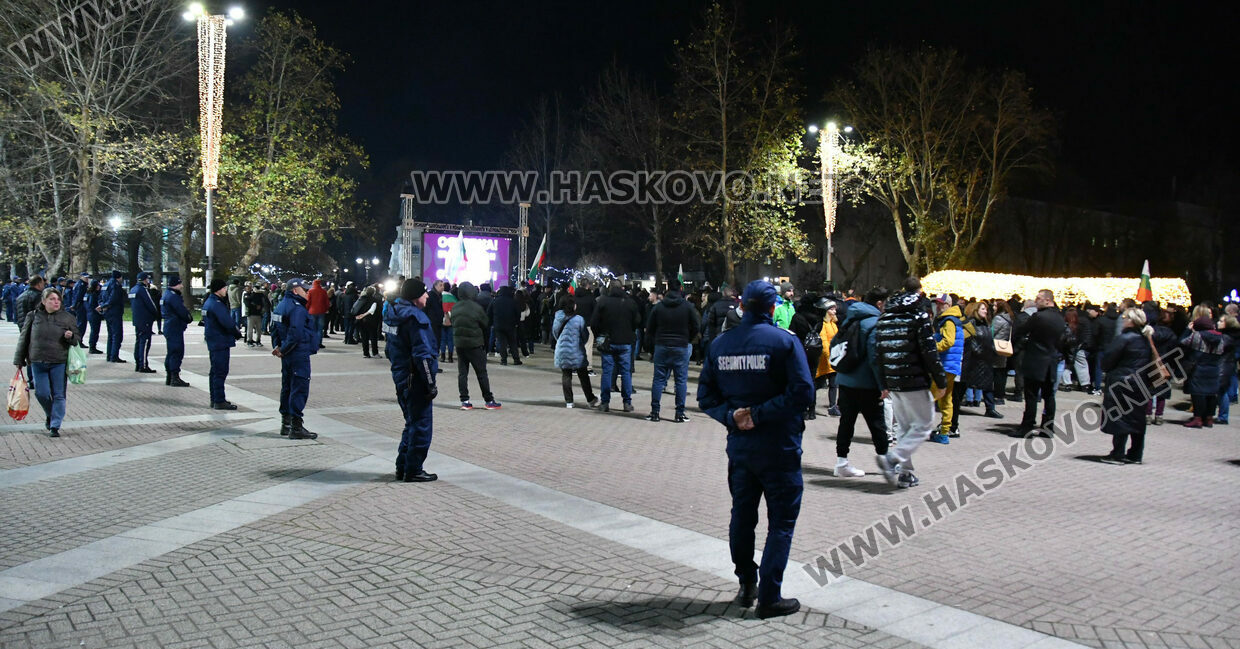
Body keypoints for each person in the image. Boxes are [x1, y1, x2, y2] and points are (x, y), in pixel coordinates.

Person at [696, 280, 813, 620]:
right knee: (781, 523)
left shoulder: (721, 345)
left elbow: (705, 397)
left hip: (741, 447)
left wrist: (732, 416)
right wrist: (760, 414)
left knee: (742, 517)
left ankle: (747, 583)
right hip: (779, 445)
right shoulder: (784, 342)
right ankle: (770, 597)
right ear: (774, 308)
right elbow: (803, 392)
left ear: (742, 306)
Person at [874, 277, 948, 488]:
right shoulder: (918, 315)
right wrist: (940, 380)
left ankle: (905, 473)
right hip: (914, 378)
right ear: (919, 292)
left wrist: (883, 382)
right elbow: (929, 350)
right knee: (923, 425)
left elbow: (879, 352)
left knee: (904, 427)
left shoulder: (885, 316)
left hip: (893, 379)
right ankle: (893, 459)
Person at [384, 278, 439, 482]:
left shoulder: (393, 314)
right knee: (421, 425)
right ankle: (414, 469)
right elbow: (422, 356)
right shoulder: (416, 318)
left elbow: (389, 349)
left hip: (401, 375)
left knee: (411, 422)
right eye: (424, 293)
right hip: (415, 379)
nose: (427, 296)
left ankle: (403, 466)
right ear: (416, 297)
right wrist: (430, 384)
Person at [832, 288, 886, 478]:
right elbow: (875, 357)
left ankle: (841, 463)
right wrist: (883, 385)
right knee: (877, 423)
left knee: (846, 423)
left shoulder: (851, 317)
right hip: (866, 383)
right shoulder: (874, 323)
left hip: (845, 379)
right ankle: (885, 462)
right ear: (879, 303)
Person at [13, 287, 81, 437]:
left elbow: (77, 339)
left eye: (58, 299)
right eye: (52, 299)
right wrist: (19, 359)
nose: (56, 302)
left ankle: (55, 426)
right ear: (44, 301)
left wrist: (70, 337)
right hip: (38, 361)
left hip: (59, 361)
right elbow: (24, 338)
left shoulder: (68, 318)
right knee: (41, 393)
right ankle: (51, 414)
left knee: (59, 395)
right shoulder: (33, 316)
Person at [1098, 309, 1156, 464]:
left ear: (1131, 320)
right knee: (1137, 419)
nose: (1123, 320)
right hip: (1140, 383)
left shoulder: (1124, 338)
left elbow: (1107, 361)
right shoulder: (1145, 339)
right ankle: (1136, 454)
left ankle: (1117, 454)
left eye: (1125, 317)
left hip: (1122, 382)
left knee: (1120, 418)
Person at [270, 278, 319, 439]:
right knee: (299, 387)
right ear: (295, 290)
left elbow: (274, 329)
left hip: (288, 354)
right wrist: (284, 349)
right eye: (305, 290)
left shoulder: (280, 306)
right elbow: (296, 333)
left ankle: (286, 423)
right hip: (297, 353)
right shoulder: (297, 308)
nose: (307, 293)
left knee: (287, 387)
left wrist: (278, 347)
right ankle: (296, 427)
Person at [644, 280, 699, 422]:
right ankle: (679, 413)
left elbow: (650, 328)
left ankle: (655, 412)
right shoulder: (687, 307)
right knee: (680, 380)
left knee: (658, 379)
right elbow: (696, 326)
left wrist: (653, 343)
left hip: (662, 345)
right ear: (680, 289)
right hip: (680, 345)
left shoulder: (659, 307)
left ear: (668, 289)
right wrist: (687, 339)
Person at [1014, 289, 1067, 437]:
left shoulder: (1038, 317)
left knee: (1031, 395)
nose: (1036, 301)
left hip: (1036, 360)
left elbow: (1021, 330)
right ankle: (1048, 428)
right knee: (1049, 396)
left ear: (1047, 300)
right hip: (1051, 362)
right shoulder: (1059, 318)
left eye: (1038, 298)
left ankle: (1027, 427)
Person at [593, 280, 641, 414]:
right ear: (622, 288)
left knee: (607, 372)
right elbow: (637, 321)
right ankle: (627, 402)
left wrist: (599, 335)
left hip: (608, 340)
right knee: (625, 372)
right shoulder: (630, 303)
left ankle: (605, 402)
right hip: (625, 341)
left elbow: (594, 322)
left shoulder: (603, 302)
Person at [451, 282, 501, 410]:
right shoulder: (476, 307)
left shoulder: (455, 307)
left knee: (462, 373)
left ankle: (465, 401)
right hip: (474, 344)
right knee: (481, 373)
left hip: (460, 344)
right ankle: (489, 400)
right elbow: (485, 323)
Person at [1180, 315, 1229, 428]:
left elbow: (1182, 342)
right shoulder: (1221, 338)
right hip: (1214, 368)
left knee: (1198, 393)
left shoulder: (1197, 336)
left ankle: (1197, 419)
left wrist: (1188, 330)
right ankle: (1209, 418)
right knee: (1211, 394)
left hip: (1198, 368)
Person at [203, 278, 243, 410]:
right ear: (218, 289)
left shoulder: (209, 302)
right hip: (220, 341)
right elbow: (227, 323)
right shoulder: (216, 304)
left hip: (214, 340)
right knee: (220, 371)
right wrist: (237, 333)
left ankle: (214, 398)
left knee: (215, 371)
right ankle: (219, 400)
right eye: (224, 288)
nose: (226, 290)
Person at [931, 294, 965, 443]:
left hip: (945, 365)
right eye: (937, 303)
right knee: (946, 399)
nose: (938, 306)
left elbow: (948, 341)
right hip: (951, 366)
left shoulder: (948, 320)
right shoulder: (954, 319)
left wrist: (932, 348)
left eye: (941, 303)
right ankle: (944, 433)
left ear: (949, 305)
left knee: (930, 396)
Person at [553, 299, 597, 408]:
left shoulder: (557, 318)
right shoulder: (579, 319)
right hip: (577, 350)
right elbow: (585, 335)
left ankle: (569, 401)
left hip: (562, 350)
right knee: (583, 375)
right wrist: (581, 343)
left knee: (566, 375)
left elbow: (555, 333)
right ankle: (590, 398)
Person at [160, 274, 192, 387]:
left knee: (171, 352)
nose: (182, 286)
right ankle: (174, 377)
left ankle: (170, 376)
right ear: (175, 285)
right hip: (174, 326)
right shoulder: (173, 297)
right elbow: (181, 311)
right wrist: (188, 318)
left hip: (170, 326)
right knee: (176, 352)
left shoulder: (166, 295)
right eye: (180, 284)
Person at [128, 271, 159, 374]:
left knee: (138, 341)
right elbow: (150, 304)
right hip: (145, 319)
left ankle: (138, 363)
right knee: (145, 342)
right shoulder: (143, 290)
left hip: (137, 319)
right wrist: (156, 314)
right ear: (145, 280)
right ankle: (143, 365)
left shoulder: (133, 289)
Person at [1059, 307, 1093, 392]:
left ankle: (1067, 383)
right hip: (1078, 348)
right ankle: (1085, 384)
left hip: (1068, 348)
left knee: (1066, 366)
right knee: (1082, 365)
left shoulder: (1066, 325)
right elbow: (1086, 335)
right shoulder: (1082, 323)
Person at [96, 270, 126, 364]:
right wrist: (105, 305)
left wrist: (102, 305)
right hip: (115, 312)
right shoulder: (116, 285)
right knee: (117, 335)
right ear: (119, 277)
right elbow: (113, 299)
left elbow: (100, 297)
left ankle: (109, 355)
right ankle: (114, 356)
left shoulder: (105, 285)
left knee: (110, 335)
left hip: (107, 312)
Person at [990, 300, 1015, 406]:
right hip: (1003, 347)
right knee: (1001, 373)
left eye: (995, 306)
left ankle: (997, 396)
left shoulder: (998, 318)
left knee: (996, 374)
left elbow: (992, 332)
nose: (993, 307)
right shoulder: (1009, 318)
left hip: (996, 347)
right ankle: (1000, 395)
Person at [488, 285, 522, 365]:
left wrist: (491, 323)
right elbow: (518, 313)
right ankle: (516, 359)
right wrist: (517, 323)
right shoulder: (513, 301)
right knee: (512, 342)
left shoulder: (495, 301)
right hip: (511, 325)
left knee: (501, 342)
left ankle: (503, 360)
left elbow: (489, 313)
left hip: (498, 325)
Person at [1217, 315, 1240, 425]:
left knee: (1221, 391)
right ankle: (1223, 416)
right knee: (1222, 390)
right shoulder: (1232, 335)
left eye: (1221, 321)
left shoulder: (1227, 337)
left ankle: (1223, 417)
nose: (1218, 322)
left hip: (1224, 364)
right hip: (1228, 364)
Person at [352, 286, 381, 358]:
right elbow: (372, 310)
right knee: (373, 337)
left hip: (361, 321)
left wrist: (359, 316)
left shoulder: (361, 299)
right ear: (373, 292)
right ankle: (375, 353)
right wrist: (364, 315)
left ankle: (366, 353)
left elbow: (355, 308)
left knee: (364, 337)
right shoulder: (374, 300)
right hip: (372, 321)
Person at [306, 279, 329, 346]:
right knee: (320, 328)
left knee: (312, 327)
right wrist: (326, 309)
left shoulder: (310, 291)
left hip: (312, 311)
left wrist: (306, 309)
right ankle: (319, 343)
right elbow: (327, 302)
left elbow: (308, 302)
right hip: (321, 311)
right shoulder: (323, 291)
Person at [85, 279, 103, 354]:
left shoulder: (88, 293)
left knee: (94, 331)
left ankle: (92, 346)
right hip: (94, 315)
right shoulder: (93, 294)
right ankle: (92, 347)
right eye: (98, 285)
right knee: (95, 331)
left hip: (90, 314)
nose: (99, 287)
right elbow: (93, 305)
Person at [440, 284, 456, 363]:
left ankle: (442, 356)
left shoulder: (440, 297)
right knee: (450, 340)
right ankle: (450, 357)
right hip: (451, 321)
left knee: (442, 339)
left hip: (441, 321)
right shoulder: (453, 298)